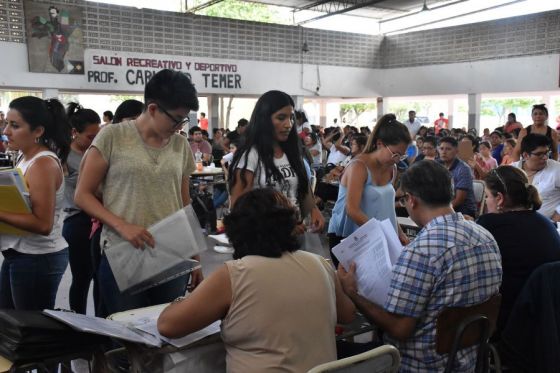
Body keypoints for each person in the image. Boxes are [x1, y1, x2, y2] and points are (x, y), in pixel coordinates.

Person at [158, 189, 355, 372]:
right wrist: (345, 287)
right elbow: (347, 314)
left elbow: (168, 326)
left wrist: (180, 301)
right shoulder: (319, 264)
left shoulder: (235, 274)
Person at [337, 160, 502, 372]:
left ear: (412, 200)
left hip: (419, 364)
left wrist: (353, 292)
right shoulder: (486, 237)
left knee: (336, 352)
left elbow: (399, 329)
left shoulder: (422, 250)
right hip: (471, 361)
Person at [75, 69, 203, 315]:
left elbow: (184, 203)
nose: (179, 126)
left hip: (172, 252)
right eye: (176, 119)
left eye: (184, 120)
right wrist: (122, 225)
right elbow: (83, 194)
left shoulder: (179, 145)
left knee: (165, 332)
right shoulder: (113, 136)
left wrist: (194, 257)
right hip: (124, 253)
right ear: (153, 109)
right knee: (126, 337)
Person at [0, 97, 71, 310]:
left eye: (15, 125)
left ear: (38, 131)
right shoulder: (25, 157)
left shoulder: (43, 164)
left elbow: (42, 224)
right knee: (10, 322)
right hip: (19, 253)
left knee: (31, 331)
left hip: (38, 258)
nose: (6, 131)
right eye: (7, 124)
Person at [477, 166, 560, 340]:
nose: (487, 201)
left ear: (499, 198)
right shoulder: (547, 224)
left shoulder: (490, 225)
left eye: (487, 196)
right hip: (545, 322)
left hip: (508, 323)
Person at [228, 90, 324, 234]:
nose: (288, 124)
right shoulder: (250, 156)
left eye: (291, 118)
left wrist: (313, 209)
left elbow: (300, 187)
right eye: (281, 118)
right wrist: (282, 227)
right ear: (264, 119)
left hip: (295, 239)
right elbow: (238, 208)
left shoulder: (292, 152)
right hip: (263, 242)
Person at [328, 114, 411, 265]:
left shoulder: (391, 167)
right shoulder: (359, 166)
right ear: (380, 144)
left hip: (376, 234)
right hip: (350, 236)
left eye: (402, 155)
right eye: (395, 154)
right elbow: (352, 210)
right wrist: (383, 233)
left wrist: (398, 232)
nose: (398, 159)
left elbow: (386, 207)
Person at [62, 103, 101, 314]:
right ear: (74, 133)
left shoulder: (96, 152)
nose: (94, 141)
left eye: (98, 135)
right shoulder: (64, 157)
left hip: (98, 220)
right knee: (82, 278)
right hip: (78, 222)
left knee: (100, 277)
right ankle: (78, 323)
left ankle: (100, 326)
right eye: (90, 136)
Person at [512, 134, 560, 222]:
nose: (545, 158)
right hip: (515, 224)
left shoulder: (556, 169)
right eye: (540, 154)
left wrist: (556, 218)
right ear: (526, 155)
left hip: (548, 226)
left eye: (547, 152)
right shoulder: (512, 171)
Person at [438, 136, 477, 217]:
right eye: (441, 149)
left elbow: (459, 200)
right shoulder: (437, 165)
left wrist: (440, 211)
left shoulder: (463, 169)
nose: (444, 152)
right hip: (445, 206)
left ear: (456, 151)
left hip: (464, 211)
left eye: (448, 149)